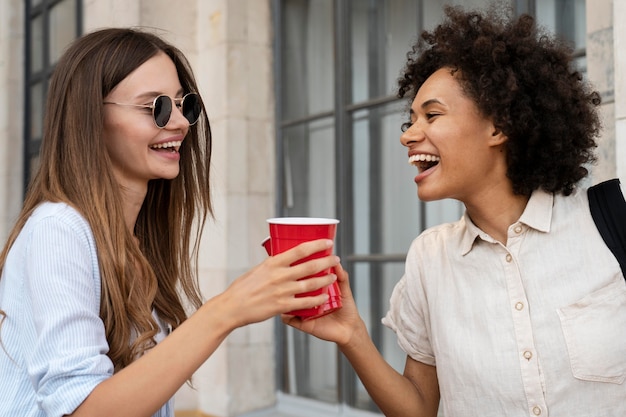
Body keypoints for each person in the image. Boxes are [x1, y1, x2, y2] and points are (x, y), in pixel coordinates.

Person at [285, 5, 626, 417]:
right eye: (409, 121)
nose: (408, 136)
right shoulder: (430, 260)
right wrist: (352, 335)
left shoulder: (609, 224)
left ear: (498, 126)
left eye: (431, 115)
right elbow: (420, 408)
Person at [0, 28, 339, 417]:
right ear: (91, 116)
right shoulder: (58, 230)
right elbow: (84, 410)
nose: (179, 122)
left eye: (184, 105)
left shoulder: (135, 239)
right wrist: (227, 310)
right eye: (156, 107)